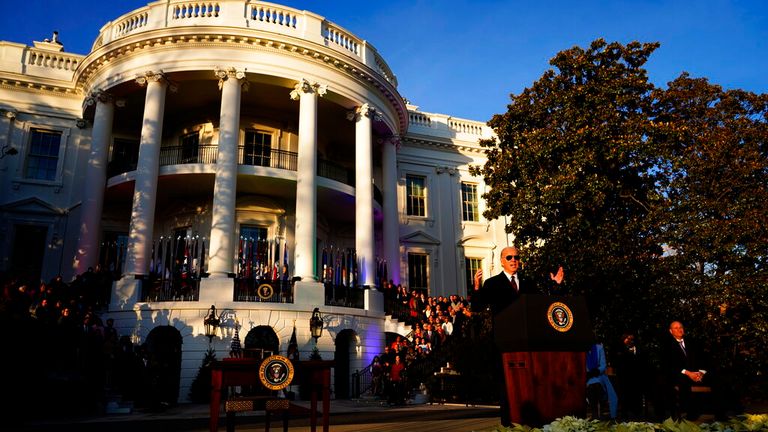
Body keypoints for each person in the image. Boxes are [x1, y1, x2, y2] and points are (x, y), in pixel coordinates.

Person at [471, 246, 563, 426]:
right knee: (507, 386)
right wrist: (476, 286)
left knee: (530, 384)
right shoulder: (492, 283)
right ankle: (509, 424)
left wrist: (556, 286)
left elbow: (543, 305)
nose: (514, 260)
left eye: (517, 257)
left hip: (528, 343)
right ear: (502, 261)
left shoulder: (528, 283)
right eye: (510, 257)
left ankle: (531, 423)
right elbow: (477, 307)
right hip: (504, 343)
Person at [660, 321, 725, 421]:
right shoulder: (666, 345)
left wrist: (701, 372)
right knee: (683, 381)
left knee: (716, 378)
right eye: (676, 328)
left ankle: (721, 413)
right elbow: (668, 365)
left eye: (681, 327)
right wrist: (688, 373)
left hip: (697, 372)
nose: (679, 329)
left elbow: (704, 358)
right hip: (680, 373)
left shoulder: (692, 342)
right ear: (670, 331)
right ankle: (691, 413)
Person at [586, 342, 618, 420]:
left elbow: (603, 365)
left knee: (597, 385)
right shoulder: (581, 349)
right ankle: (594, 413)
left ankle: (602, 411)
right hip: (587, 376)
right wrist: (588, 372)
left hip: (599, 374)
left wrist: (596, 371)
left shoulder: (599, 347)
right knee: (591, 386)